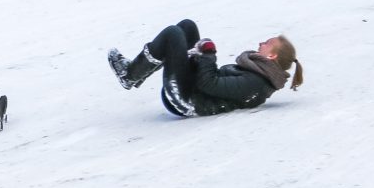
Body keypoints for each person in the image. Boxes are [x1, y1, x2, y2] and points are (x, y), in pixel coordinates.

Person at [107, 19, 303, 117]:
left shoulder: (255, 83)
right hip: (193, 89)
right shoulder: (256, 72)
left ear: (272, 56)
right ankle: (137, 74)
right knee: (187, 26)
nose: (261, 43)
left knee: (173, 34)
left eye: (266, 43)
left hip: (186, 100)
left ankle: (129, 75)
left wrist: (208, 56)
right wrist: (201, 55)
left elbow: (209, 84)